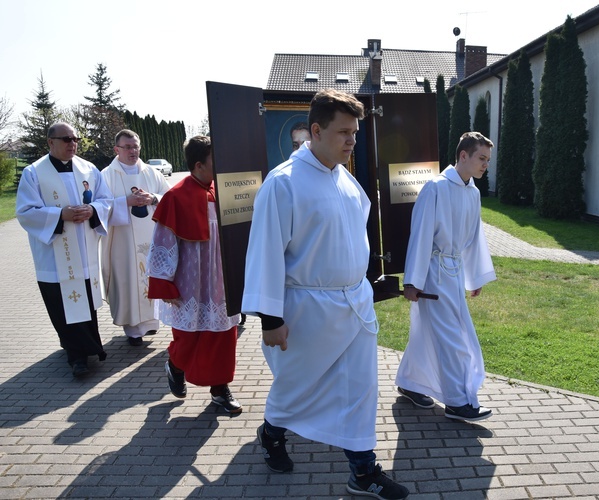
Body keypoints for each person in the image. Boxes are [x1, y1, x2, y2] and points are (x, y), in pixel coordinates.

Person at [242, 88, 409, 500]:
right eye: (344, 132)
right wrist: (271, 320)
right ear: (314, 131)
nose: (352, 140)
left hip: (354, 304)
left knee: (360, 389)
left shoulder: (345, 178)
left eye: (355, 132)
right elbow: (264, 253)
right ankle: (271, 433)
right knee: (297, 386)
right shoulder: (283, 183)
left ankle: (363, 472)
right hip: (307, 309)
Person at [395, 131, 497, 423]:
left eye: (488, 161)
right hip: (433, 275)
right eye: (481, 158)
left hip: (453, 274)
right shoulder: (435, 188)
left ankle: (410, 382)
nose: (484, 165)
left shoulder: (473, 192)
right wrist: (413, 281)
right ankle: (456, 402)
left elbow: (475, 237)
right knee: (453, 338)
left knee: (432, 331)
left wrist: (473, 276)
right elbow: (421, 234)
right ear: (463, 155)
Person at [146, 135, 242, 414]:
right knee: (188, 337)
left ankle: (220, 389)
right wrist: (164, 282)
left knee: (224, 334)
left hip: (221, 279)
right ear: (199, 165)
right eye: (216, 160)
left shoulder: (225, 191)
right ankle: (175, 365)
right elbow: (162, 244)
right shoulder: (175, 197)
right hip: (190, 279)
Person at [15, 122, 113, 378]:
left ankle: (90, 347)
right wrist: (61, 214)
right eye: (66, 139)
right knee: (64, 306)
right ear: (50, 142)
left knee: (84, 305)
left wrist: (93, 210)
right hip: (56, 258)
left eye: (75, 138)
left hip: (84, 254)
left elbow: (106, 201)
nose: (72, 143)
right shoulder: (34, 173)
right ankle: (77, 357)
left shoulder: (88, 169)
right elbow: (25, 213)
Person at [101, 130, 171, 347]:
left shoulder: (152, 173)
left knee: (151, 277)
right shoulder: (106, 175)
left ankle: (151, 323)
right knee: (128, 280)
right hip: (122, 241)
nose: (133, 151)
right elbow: (101, 207)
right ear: (117, 149)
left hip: (151, 237)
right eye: (128, 147)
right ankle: (132, 330)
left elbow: (169, 198)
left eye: (136, 147)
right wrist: (125, 202)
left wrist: (153, 198)